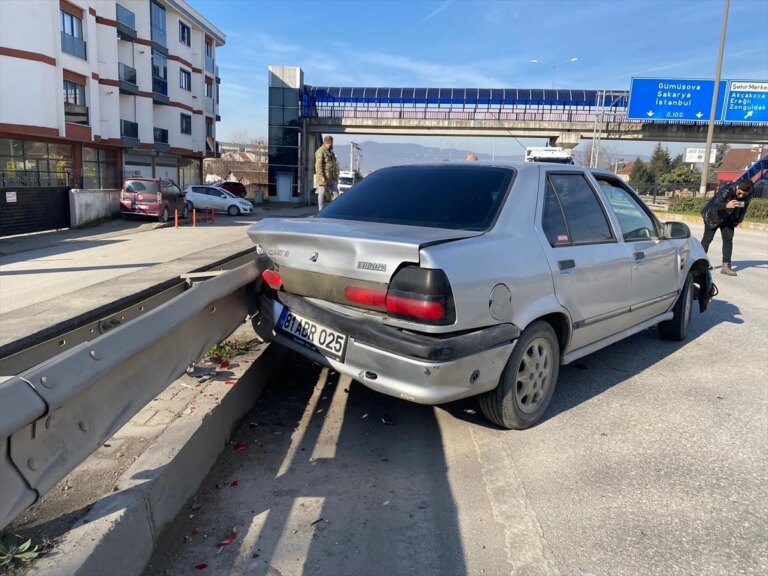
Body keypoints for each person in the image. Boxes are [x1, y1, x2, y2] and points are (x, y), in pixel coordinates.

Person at [700, 179, 754, 276]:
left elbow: (743, 207)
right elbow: (717, 203)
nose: (741, 196)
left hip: (729, 217)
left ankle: (726, 266)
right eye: (739, 193)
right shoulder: (726, 189)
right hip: (713, 215)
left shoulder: (748, 193)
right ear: (737, 187)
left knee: (728, 240)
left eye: (743, 195)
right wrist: (726, 204)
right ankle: (699, 264)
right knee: (707, 239)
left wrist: (738, 220)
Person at [314, 135, 340, 211]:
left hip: (331, 177)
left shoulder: (330, 152)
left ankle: (333, 209)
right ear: (328, 142)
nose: (332, 144)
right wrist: (322, 176)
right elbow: (318, 165)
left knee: (336, 194)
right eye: (332, 143)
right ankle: (320, 210)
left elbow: (333, 164)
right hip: (324, 177)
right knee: (321, 193)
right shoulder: (321, 151)